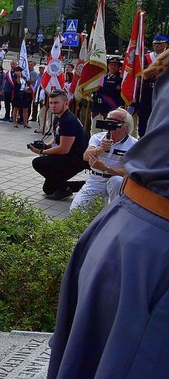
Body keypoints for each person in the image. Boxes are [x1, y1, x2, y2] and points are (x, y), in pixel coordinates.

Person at [47, 48, 169, 378]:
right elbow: (88, 157)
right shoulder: (102, 136)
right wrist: (99, 150)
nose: (111, 127)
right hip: (145, 236)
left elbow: (133, 174)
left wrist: (111, 168)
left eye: (117, 125)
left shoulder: (133, 143)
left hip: (127, 208)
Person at [69, 108, 136, 213]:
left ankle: (116, 211)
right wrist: (100, 149)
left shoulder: (134, 145)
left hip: (116, 180)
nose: (110, 123)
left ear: (126, 126)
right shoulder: (98, 137)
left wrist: (106, 169)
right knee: (75, 211)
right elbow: (85, 156)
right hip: (96, 179)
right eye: (108, 120)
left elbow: (129, 172)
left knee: (116, 181)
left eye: (116, 121)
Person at [28, 89, 90, 200]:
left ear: (66, 103)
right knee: (49, 189)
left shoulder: (68, 120)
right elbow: (57, 138)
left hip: (76, 159)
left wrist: (42, 152)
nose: (52, 106)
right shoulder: (59, 117)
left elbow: (63, 149)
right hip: (68, 157)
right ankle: (87, 186)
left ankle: (65, 190)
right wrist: (46, 146)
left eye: (56, 103)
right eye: (51, 103)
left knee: (38, 162)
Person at [135, 34, 167, 136]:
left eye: (160, 44)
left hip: (163, 89)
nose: (157, 46)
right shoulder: (145, 58)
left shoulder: (167, 57)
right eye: (155, 44)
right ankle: (142, 136)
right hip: (147, 90)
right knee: (145, 116)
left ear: (165, 44)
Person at [90, 56, 123, 135]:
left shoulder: (120, 79)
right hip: (97, 107)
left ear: (119, 67)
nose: (113, 67)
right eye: (111, 65)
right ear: (108, 66)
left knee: (107, 131)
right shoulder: (101, 76)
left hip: (110, 108)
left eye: (115, 65)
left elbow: (111, 92)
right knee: (95, 130)